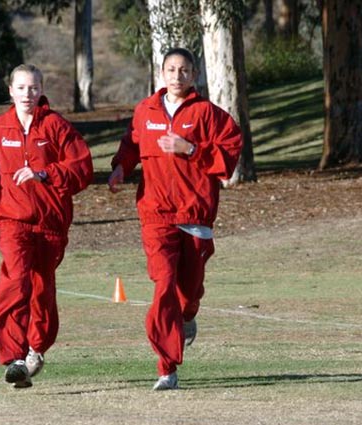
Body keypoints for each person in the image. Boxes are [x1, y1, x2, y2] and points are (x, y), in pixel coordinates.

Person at [108, 48, 243, 390]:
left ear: (194, 74)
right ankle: (166, 367)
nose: (177, 76)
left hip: (195, 214)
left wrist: (192, 150)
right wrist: (121, 168)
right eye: (171, 69)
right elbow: (132, 143)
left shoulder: (209, 114)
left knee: (189, 290)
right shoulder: (145, 110)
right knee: (164, 283)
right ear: (162, 72)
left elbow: (229, 157)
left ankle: (189, 314)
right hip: (156, 214)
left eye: (184, 70)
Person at [0, 64, 93, 388]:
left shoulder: (56, 127)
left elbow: (82, 168)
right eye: (21, 87)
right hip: (13, 220)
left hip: (51, 223)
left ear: (41, 91)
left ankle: (36, 348)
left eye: (33, 87)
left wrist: (45, 174)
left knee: (41, 289)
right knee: (16, 279)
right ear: (10, 91)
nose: (27, 93)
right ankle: (13, 356)